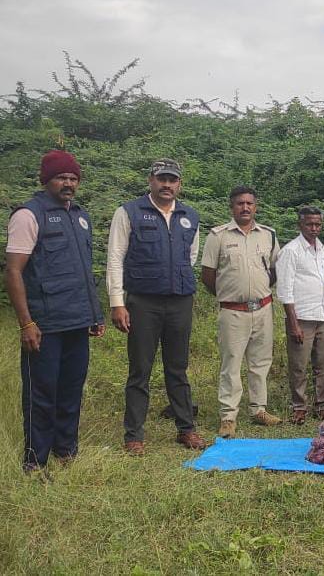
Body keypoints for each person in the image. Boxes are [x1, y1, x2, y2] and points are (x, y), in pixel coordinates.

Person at [5, 151, 105, 473]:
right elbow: (14, 272)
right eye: (62, 177)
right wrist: (26, 323)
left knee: (71, 389)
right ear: (46, 179)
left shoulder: (81, 216)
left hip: (77, 320)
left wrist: (94, 314)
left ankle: (66, 450)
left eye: (73, 178)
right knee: (41, 392)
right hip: (44, 324)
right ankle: (35, 460)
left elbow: (82, 270)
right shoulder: (28, 215)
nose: (68, 184)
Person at [107, 158, 208, 454]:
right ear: (151, 180)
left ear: (179, 184)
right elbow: (115, 258)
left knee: (178, 368)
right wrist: (117, 302)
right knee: (140, 369)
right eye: (161, 179)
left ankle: (185, 429)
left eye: (172, 180)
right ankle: (134, 435)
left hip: (179, 302)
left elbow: (189, 258)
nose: (167, 184)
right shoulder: (128, 212)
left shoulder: (190, 216)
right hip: (143, 302)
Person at [200, 186, 281, 438]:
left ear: (256, 207)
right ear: (231, 207)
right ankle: (228, 416)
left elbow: (276, 271)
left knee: (260, 363)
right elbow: (208, 276)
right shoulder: (218, 236)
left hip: (263, 309)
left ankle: (259, 410)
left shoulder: (269, 235)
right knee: (231, 363)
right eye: (239, 204)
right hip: (233, 312)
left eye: (249, 203)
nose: (245, 208)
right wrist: (230, 296)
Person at [276, 205, 324, 425]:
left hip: (321, 315)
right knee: (299, 366)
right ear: (300, 225)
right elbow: (285, 290)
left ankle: (323, 406)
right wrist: (293, 324)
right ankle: (299, 407)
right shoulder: (290, 251)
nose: (314, 228)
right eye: (309, 224)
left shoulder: (322, 249)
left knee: (323, 365)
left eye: (318, 224)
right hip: (301, 318)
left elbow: (323, 286)